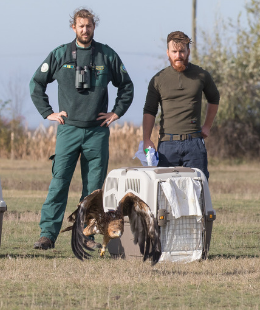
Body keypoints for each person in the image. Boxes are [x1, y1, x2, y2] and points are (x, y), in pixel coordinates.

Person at [29, 7, 134, 249]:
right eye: (81, 26)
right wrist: (48, 113)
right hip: (69, 130)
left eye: (89, 26)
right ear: (73, 27)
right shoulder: (60, 54)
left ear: (94, 27)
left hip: (97, 132)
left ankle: (87, 235)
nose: (85, 30)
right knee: (59, 182)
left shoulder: (106, 55)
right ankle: (47, 235)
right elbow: (37, 83)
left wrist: (117, 112)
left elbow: (126, 86)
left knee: (93, 189)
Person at [143, 31, 220, 180]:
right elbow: (149, 110)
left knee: (198, 190)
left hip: (194, 143)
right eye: (174, 51)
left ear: (188, 51)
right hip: (167, 144)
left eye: (182, 51)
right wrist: (146, 138)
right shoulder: (158, 79)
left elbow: (214, 98)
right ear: (168, 53)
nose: (178, 55)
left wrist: (207, 126)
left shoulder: (202, 75)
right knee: (166, 191)